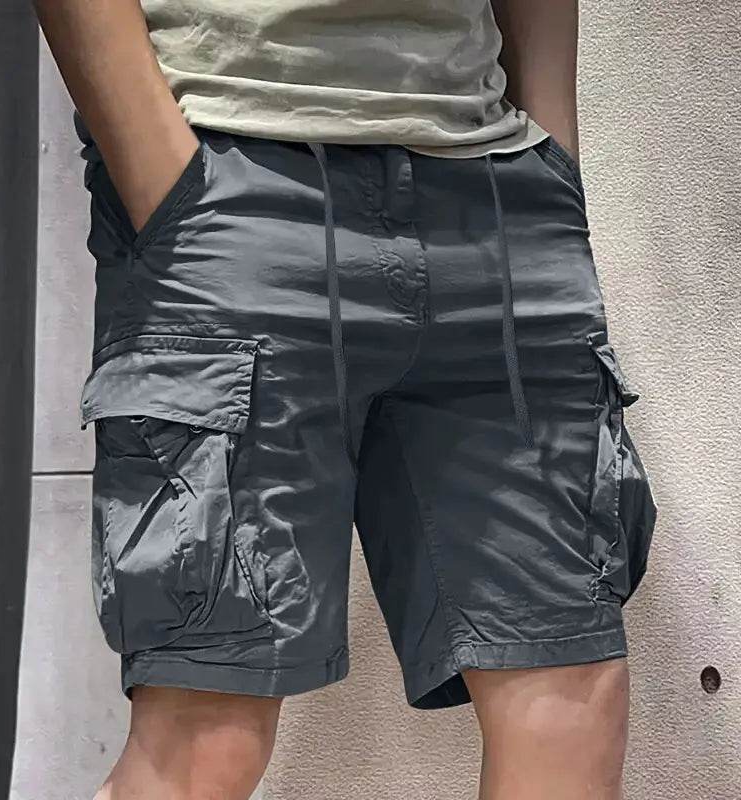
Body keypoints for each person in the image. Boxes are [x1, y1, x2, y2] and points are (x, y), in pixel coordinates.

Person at [33, 1, 657, 798]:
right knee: (205, 734)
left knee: (570, 703)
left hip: (500, 197)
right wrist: (157, 169)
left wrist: (553, 155)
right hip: (235, 176)